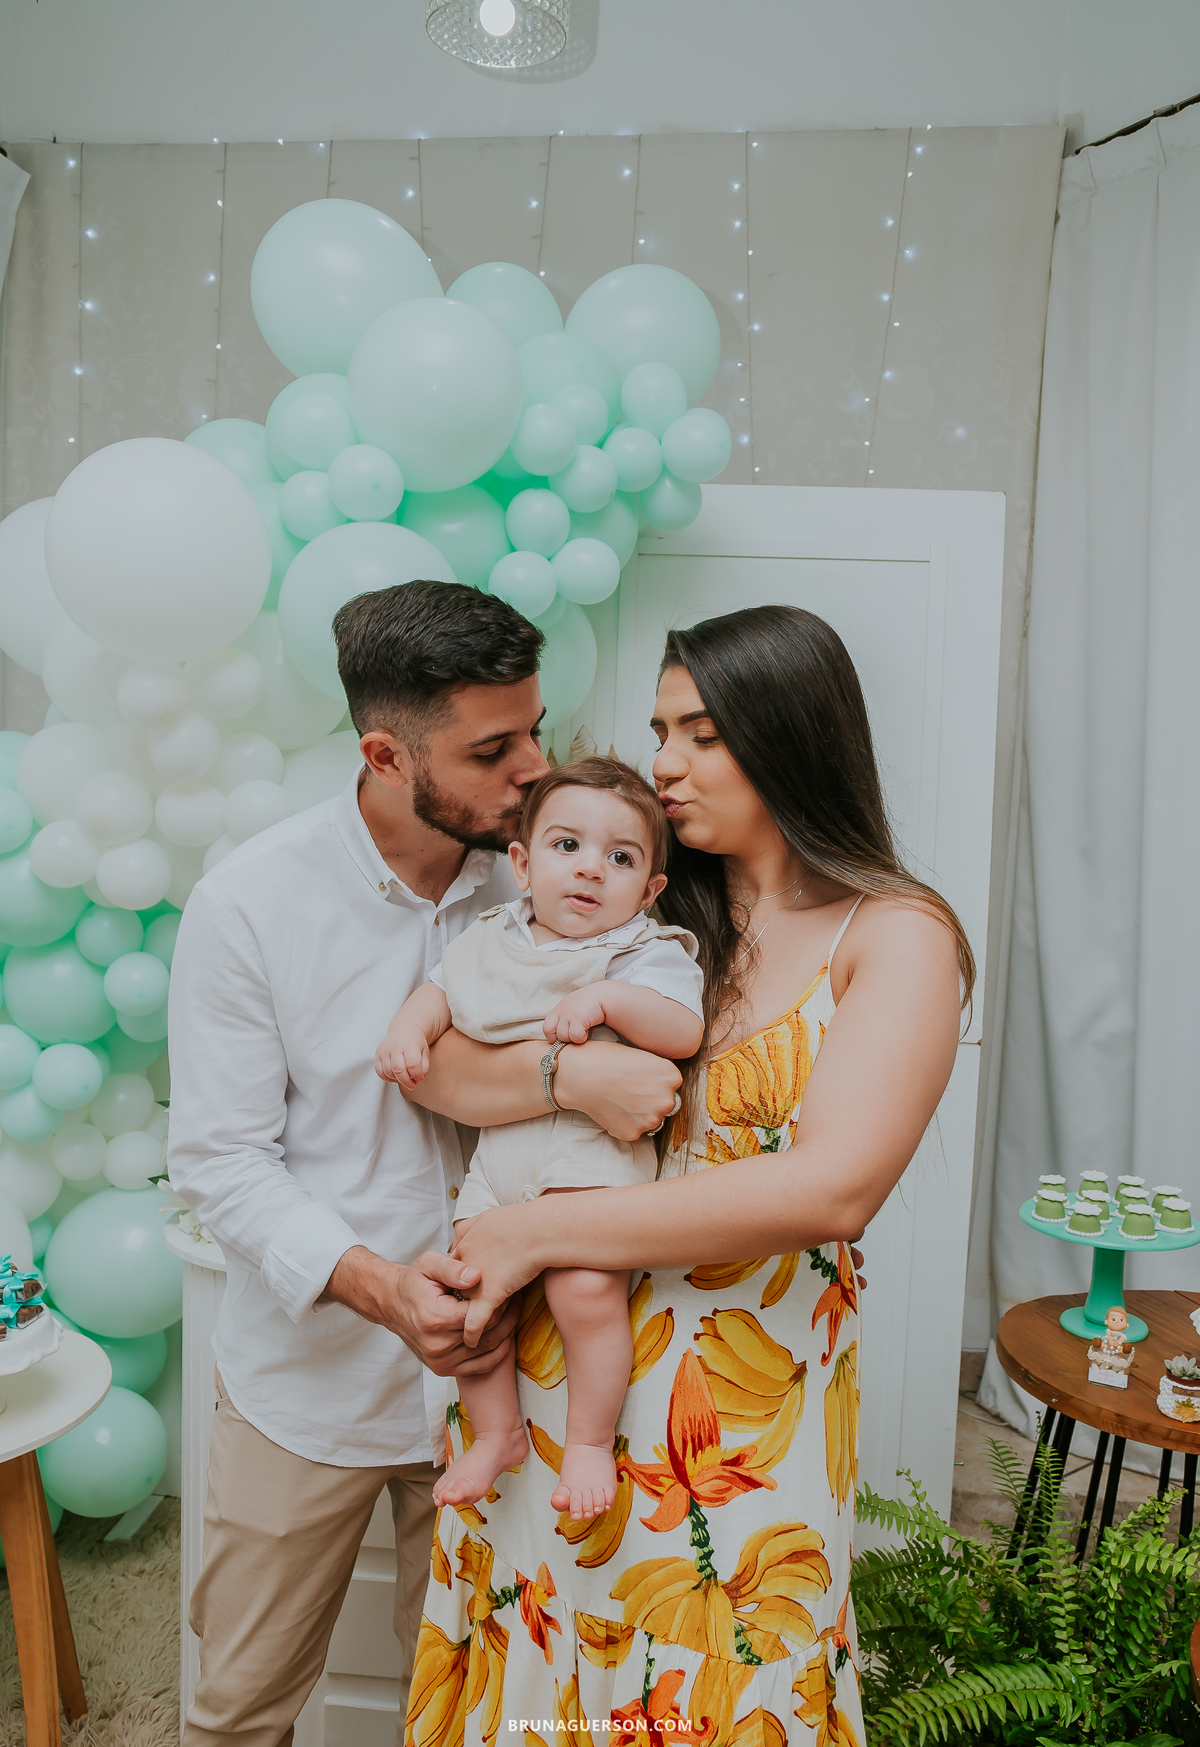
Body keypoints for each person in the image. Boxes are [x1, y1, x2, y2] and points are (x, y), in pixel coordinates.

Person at [403, 604, 973, 1741]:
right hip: (558, 1397)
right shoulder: (658, 911)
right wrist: (568, 1087)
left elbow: (833, 1190)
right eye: (662, 729)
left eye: (700, 732)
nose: (663, 764)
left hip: (735, 1429)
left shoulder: (893, 931)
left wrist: (537, 1235)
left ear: (789, 732)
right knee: (541, 1646)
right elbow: (446, 1072)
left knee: (715, 1670)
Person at [167, 581, 682, 1747]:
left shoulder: (566, 871)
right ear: (387, 754)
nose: (533, 770)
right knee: (239, 1708)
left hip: (531, 1377)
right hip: (312, 1383)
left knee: (483, 1709)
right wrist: (381, 1287)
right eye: (496, 748)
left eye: (538, 730)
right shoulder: (249, 904)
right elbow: (220, 1161)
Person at [377, 757, 703, 1523]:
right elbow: (441, 993)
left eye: (620, 859)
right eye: (567, 847)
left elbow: (683, 1029)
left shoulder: (643, 951)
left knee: (584, 1291)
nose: (590, 870)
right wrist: (407, 1031)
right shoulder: (493, 937)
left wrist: (607, 996)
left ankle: (588, 1440)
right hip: (501, 1159)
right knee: (471, 1293)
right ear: (522, 863)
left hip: (591, 1155)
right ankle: (497, 1431)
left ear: (649, 889)